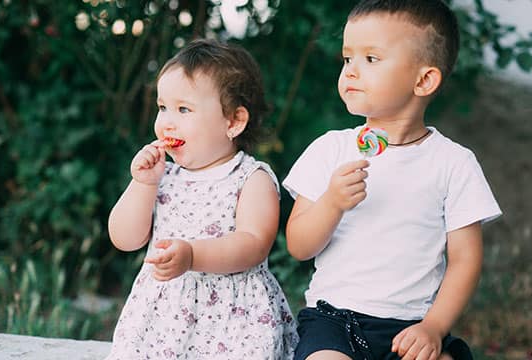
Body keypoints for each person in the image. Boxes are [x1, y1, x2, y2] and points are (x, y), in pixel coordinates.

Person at [282, 1, 502, 359]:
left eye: (370, 59)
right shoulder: (330, 150)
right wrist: (332, 203)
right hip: (334, 321)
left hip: (411, 326)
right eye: (347, 58)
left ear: (424, 80)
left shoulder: (453, 163)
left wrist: (433, 327)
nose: (351, 71)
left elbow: (465, 260)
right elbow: (299, 246)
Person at [105, 38, 297, 359]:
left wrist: (193, 255)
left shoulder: (251, 178)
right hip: (163, 319)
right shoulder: (163, 175)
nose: (167, 120)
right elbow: (124, 239)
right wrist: (142, 185)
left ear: (233, 122)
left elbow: (253, 244)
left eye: (184, 109)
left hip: (233, 319)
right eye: (163, 107)